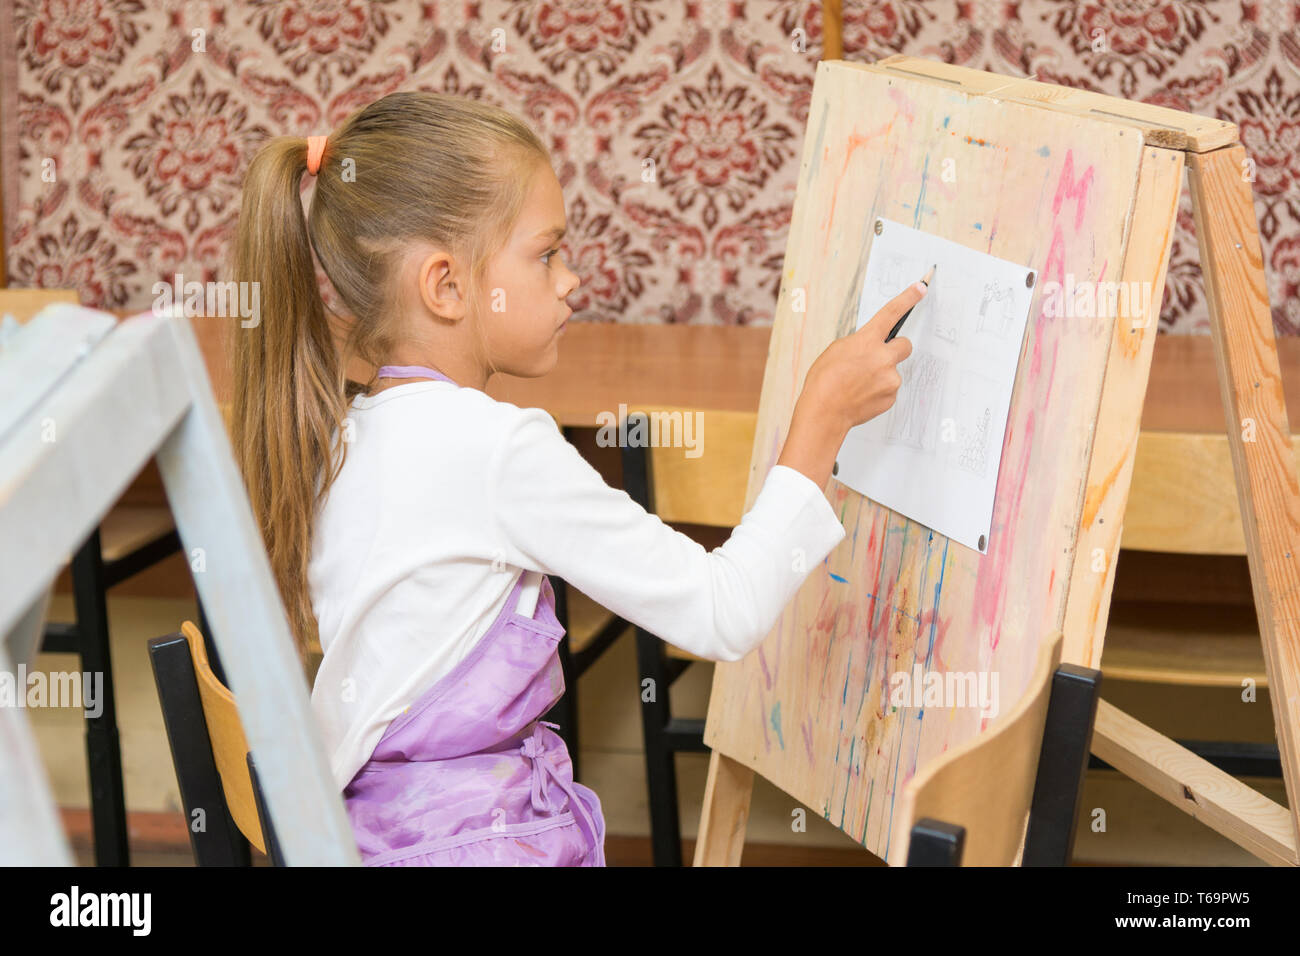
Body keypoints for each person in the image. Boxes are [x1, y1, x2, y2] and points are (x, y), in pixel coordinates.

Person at [228, 91, 923, 866]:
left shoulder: (345, 435)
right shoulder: (497, 451)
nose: (572, 280)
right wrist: (821, 419)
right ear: (447, 286)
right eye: (547, 252)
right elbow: (721, 613)